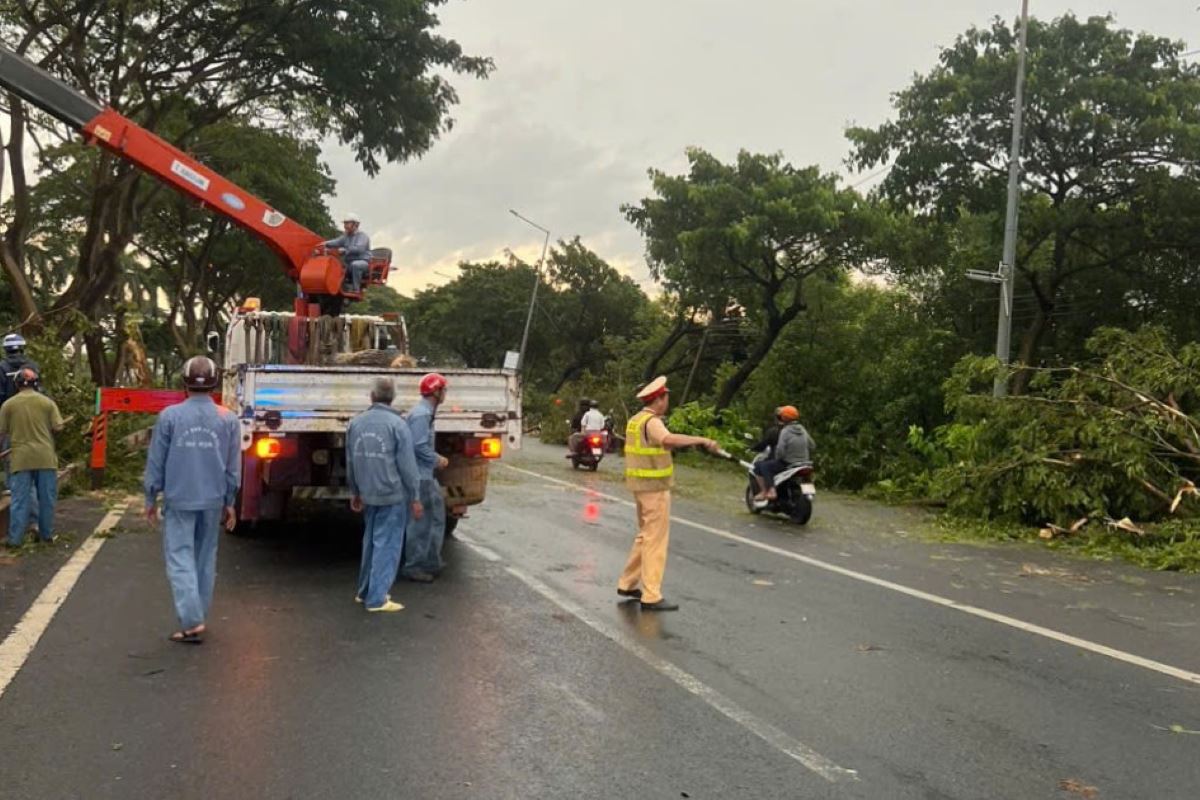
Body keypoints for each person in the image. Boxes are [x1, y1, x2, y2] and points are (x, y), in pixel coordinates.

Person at [143, 356, 240, 644]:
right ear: (214, 384)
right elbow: (233, 468)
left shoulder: (169, 417)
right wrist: (230, 501)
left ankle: (191, 620)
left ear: (184, 383)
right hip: (213, 499)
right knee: (205, 557)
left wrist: (150, 496)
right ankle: (198, 616)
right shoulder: (228, 419)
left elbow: (156, 461)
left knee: (179, 557)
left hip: (179, 499)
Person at [617, 376, 719, 611]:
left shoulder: (635, 420)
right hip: (654, 488)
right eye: (666, 398)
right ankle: (651, 595)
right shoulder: (652, 422)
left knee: (645, 535)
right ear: (659, 399)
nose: (667, 402)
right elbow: (667, 439)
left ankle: (627, 583)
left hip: (640, 486)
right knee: (655, 540)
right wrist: (701, 440)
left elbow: (661, 444)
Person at [347, 377, 423, 612]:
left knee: (370, 541)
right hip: (392, 494)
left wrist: (355, 491)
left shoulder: (356, 423)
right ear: (393, 398)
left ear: (372, 396)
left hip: (368, 492)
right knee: (387, 545)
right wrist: (416, 496)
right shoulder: (398, 425)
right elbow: (408, 467)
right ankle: (377, 599)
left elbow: (350, 461)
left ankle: (364, 591)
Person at [0, 367, 62, 549]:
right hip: (45, 457)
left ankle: (15, 540)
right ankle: (47, 535)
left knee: (19, 499)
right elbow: (58, 427)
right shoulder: (47, 403)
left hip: (20, 458)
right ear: (36, 383)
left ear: (17, 384)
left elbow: (1, 433)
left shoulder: (8, 405)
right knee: (46, 498)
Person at [400, 373, 449, 583]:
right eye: (444, 390)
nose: (446, 394)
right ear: (436, 392)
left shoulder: (426, 413)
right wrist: (437, 459)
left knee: (436, 518)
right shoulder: (421, 415)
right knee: (422, 523)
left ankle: (431, 561)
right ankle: (415, 566)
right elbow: (418, 445)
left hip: (425, 475)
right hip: (421, 477)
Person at [1, 333, 39, 491]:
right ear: (22, 348)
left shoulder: (1, 367)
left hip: (9, 415)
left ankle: (12, 484)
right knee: (34, 446)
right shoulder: (32, 366)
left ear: (6, 349)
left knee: (9, 449)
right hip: (33, 414)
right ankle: (31, 483)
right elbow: (39, 389)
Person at [752, 406, 814, 502]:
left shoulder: (785, 431)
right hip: (804, 463)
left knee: (762, 466)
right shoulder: (802, 429)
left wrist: (778, 458)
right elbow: (812, 445)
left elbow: (780, 450)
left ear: (783, 418)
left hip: (788, 463)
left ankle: (769, 491)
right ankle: (809, 493)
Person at [323, 212, 371, 293]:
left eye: (347, 223)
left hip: (363, 262)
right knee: (335, 265)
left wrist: (345, 250)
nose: (345, 226)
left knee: (355, 265)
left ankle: (355, 289)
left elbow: (359, 249)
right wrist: (325, 243)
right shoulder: (346, 236)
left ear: (355, 224)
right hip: (348, 263)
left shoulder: (363, 236)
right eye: (345, 223)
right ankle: (337, 287)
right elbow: (337, 242)